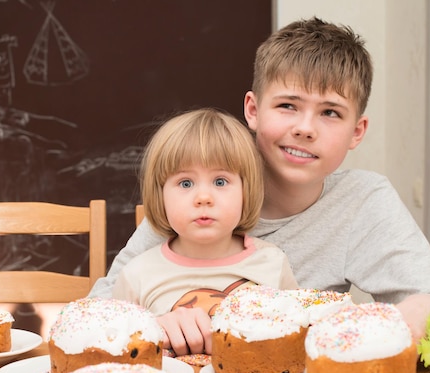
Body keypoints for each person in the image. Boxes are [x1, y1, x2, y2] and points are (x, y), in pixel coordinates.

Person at [90, 17, 430, 353]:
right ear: (253, 110)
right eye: (287, 105)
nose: (305, 128)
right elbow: (96, 313)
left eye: (330, 112)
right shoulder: (196, 197)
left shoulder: (363, 200)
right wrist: (152, 325)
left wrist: (415, 311)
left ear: (356, 132)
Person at [110, 108, 299, 357]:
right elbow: (115, 348)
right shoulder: (136, 275)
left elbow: (297, 341)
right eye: (185, 183)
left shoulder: (273, 262)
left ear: (247, 190)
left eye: (220, 182)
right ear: (160, 195)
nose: (203, 198)